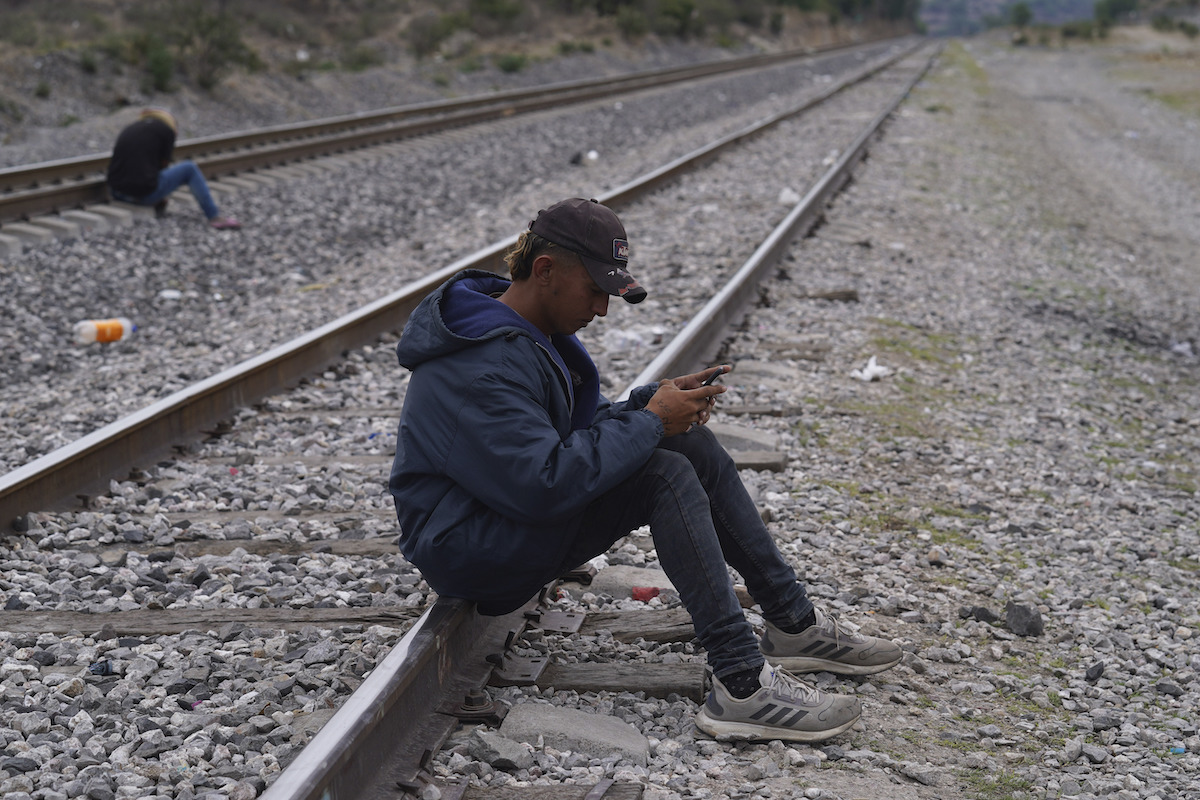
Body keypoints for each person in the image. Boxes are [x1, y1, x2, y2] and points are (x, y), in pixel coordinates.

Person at [389, 197, 902, 743]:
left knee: (691, 446)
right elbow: (542, 484)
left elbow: (563, 439)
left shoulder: (519, 333)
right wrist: (651, 422)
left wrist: (647, 407)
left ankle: (793, 624)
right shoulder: (482, 364)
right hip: (466, 547)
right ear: (545, 271)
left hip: (495, 519)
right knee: (663, 474)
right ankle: (743, 684)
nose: (603, 309)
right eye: (595, 290)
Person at [106, 108, 241, 230]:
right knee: (189, 168)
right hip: (141, 196)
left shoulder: (130, 128)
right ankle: (214, 216)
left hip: (116, 193)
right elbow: (163, 165)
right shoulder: (167, 131)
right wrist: (161, 193)